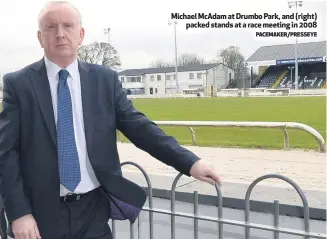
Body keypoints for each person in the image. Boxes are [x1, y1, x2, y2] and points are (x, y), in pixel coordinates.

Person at [0, 1, 221, 239]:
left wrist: (190, 163)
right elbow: (6, 153)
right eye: (51, 27)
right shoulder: (19, 85)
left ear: (81, 34)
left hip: (93, 209)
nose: (60, 33)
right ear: (40, 37)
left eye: (68, 26)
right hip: (40, 215)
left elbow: (140, 128)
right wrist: (19, 212)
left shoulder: (104, 80)